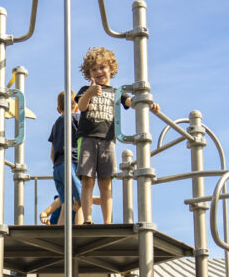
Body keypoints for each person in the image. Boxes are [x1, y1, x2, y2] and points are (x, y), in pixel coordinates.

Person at [74, 47, 159, 224]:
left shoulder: (117, 92)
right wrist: (89, 93)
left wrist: (147, 104)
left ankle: (107, 221)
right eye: (94, 69)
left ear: (111, 69)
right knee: (88, 180)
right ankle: (88, 218)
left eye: (102, 67)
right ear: (89, 73)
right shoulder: (85, 89)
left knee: (106, 183)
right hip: (88, 138)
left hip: (107, 140)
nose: (98, 72)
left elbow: (131, 103)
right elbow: (82, 107)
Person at [48, 91, 82, 225]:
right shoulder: (77, 119)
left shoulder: (55, 125)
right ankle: (80, 232)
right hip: (73, 164)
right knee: (80, 202)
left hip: (58, 167)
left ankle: (61, 233)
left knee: (65, 203)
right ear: (77, 107)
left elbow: (52, 153)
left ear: (58, 109)